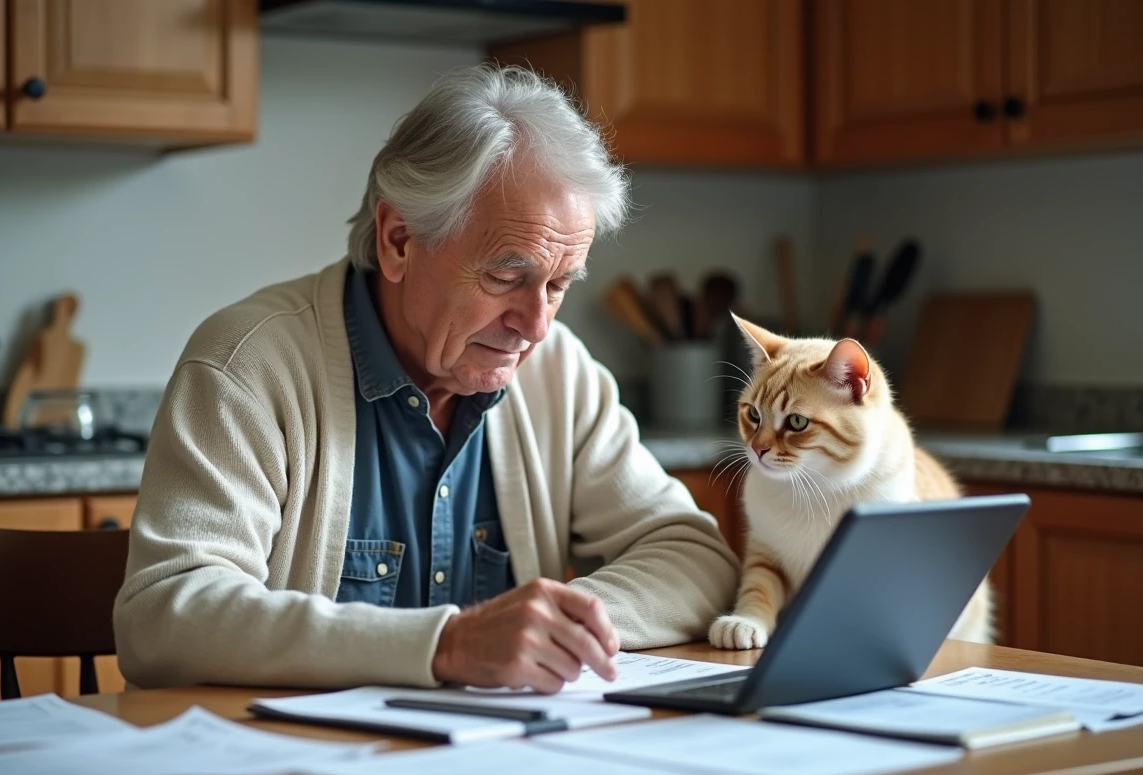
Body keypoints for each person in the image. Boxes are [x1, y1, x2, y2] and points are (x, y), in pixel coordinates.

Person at [113, 65, 739, 694]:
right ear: (398, 240)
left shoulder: (559, 373)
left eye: (558, 285)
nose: (536, 326)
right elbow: (163, 616)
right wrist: (448, 646)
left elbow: (694, 558)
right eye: (506, 276)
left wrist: (565, 627)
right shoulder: (249, 365)